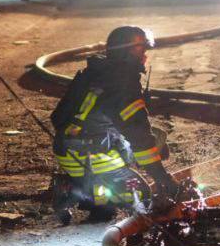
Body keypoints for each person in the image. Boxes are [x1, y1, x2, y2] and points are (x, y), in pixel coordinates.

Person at [49, 25, 180, 225]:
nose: (145, 56)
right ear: (128, 52)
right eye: (141, 50)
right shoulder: (122, 84)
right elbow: (139, 137)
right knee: (140, 198)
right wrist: (163, 179)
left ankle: (78, 184)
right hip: (88, 156)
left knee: (157, 136)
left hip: (68, 147)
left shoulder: (99, 70)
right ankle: (83, 194)